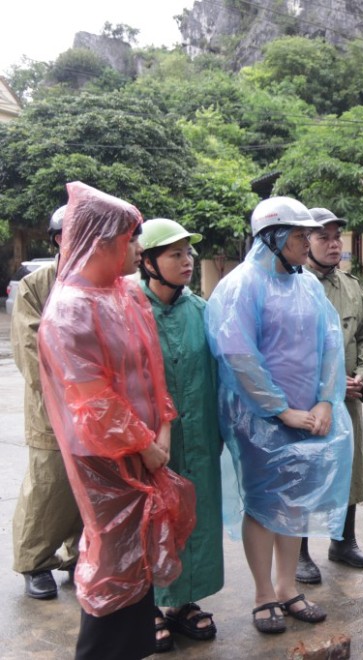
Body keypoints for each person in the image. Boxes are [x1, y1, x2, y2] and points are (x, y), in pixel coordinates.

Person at [37, 182, 196, 660]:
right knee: (112, 561)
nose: (138, 249)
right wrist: (147, 446)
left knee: (138, 563)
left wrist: (162, 428)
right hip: (106, 460)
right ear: (103, 241)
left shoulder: (122, 296)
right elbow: (93, 401)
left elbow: (151, 371)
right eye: (131, 239)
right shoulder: (69, 310)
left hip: (145, 450)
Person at [205, 196, 353, 635]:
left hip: (309, 415)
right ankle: (262, 593)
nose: (308, 242)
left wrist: (326, 400)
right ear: (272, 237)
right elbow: (238, 357)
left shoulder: (307, 284)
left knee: (293, 504)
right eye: (300, 235)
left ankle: (288, 588)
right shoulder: (240, 286)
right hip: (260, 420)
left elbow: (331, 344)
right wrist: (281, 410)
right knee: (264, 505)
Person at [137, 218, 224, 651]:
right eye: (175, 254)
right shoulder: (129, 311)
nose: (187, 261)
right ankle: (150, 604)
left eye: (188, 253)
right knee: (152, 521)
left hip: (200, 438)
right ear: (148, 261)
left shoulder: (201, 312)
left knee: (196, 516)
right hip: (151, 444)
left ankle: (185, 600)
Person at [296, 208, 363, 584]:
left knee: (348, 469)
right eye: (324, 238)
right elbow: (287, 350)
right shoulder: (293, 285)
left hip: (348, 400)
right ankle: (298, 552)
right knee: (303, 474)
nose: (334, 245)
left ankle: (343, 541)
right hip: (306, 404)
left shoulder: (350, 286)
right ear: (305, 243)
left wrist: (362, 377)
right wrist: (326, 387)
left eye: (337, 238)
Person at [11, 205, 84, 600]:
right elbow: (29, 346)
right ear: (59, 239)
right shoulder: (38, 283)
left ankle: (79, 555)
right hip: (51, 406)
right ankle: (35, 561)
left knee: (89, 484)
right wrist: (70, 391)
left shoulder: (97, 280)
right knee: (49, 481)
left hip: (95, 407)